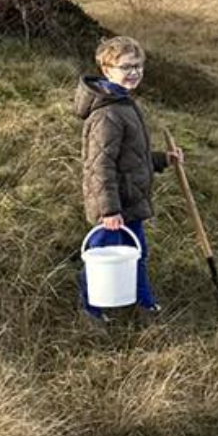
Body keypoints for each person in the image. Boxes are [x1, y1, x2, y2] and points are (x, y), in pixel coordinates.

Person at [74, 35, 183, 323]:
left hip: (130, 200)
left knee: (137, 253)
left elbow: (132, 157)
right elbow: (99, 167)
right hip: (114, 206)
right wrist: (109, 210)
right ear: (107, 71)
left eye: (138, 66)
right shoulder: (107, 114)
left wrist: (162, 160)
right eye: (126, 67)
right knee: (102, 255)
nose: (134, 72)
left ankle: (144, 305)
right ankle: (90, 309)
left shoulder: (124, 102)